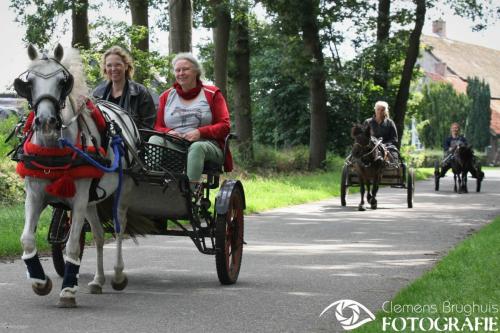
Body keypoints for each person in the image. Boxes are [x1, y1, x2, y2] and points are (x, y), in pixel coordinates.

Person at [149, 53, 232, 193]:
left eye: (185, 69)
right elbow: (158, 126)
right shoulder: (166, 96)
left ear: (196, 72)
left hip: (208, 145)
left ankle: (189, 193)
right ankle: (151, 186)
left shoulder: (212, 93)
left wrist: (200, 132)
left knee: (197, 147)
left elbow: (225, 125)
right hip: (175, 145)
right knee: (154, 139)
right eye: (177, 70)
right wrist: (169, 132)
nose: (181, 73)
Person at [93, 45, 156, 129]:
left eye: (118, 64)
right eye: (109, 65)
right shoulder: (97, 94)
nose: (113, 69)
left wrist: (128, 141)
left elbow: (148, 127)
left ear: (126, 66)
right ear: (105, 68)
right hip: (104, 141)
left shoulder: (141, 92)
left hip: (134, 141)